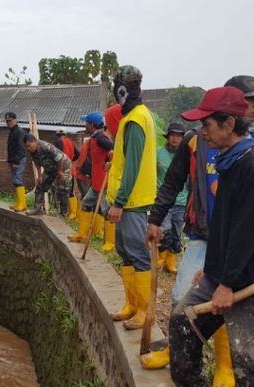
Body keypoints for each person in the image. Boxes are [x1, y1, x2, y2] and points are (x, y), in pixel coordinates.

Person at [152, 86, 254, 387]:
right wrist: (210, 271)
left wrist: (226, 282)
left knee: (251, 357)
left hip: (249, 278)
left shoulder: (253, 166)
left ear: (228, 123)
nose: (202, 133)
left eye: (207, 124)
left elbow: (248, 232)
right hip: (221, 272)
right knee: (183, 320)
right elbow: (221, 228)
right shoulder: (228, 160)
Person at [105, 65, 157, 331]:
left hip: (133, 202)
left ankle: (144, 312)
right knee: (126, 252)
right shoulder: (131, 117)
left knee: (138, 254)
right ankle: (131, 305)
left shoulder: (136, 119)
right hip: (128, 200)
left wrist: (119, 202)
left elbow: (134, 165)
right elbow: (126, 160)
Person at [68, 112, 114, 249]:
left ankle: (110, 242)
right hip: (96, 183)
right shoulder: (94, 138)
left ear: (92, 124)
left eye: (86, 122)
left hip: (104, 183)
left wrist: (111, 162)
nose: (85, 125)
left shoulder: (100, 138)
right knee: (86, 203)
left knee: (107, 211)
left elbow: (114, 150)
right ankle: (83, 235)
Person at [156, 122, 188, 273]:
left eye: (179, 136)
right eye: (172, 135)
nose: (175, 139)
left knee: (176, 232)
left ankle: (171, 262)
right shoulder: (158, 153)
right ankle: (159, 260)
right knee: (165, 230)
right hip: (163, 201)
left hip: (181, 201)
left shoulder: (187, 156)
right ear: (168, 137)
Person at [23, 134, 72, 217]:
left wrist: (59, 172)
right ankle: (37, 209)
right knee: (40, 185)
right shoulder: (32, 150)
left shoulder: (46, 146)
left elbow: (59, 158)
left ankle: (64, 214)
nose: (28, 148)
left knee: (63, 190)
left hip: (63, 166)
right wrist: (39, 175)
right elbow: (36, 162)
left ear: (34, 141)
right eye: (26, 146)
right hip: (50, 168)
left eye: (29, 146)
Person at [55, 129, 80, 219]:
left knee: (63, 191)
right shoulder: (71, 142)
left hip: (63, 170)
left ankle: (63, 213)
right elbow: (78, 154)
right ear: (65, 134)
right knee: (71, 191)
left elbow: (58, 156)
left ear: (57, 134)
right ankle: (73, 213)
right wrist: (70, 160)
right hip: (71, 169)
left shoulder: (58, 141)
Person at [5, 111, 27, 211]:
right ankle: (18, 202)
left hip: (19, 159)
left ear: (15, 120)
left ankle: (23, 204)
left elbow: (21, 148)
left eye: (10, 120)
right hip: (13, 160)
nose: (8, 122)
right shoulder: (12, 131)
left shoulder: (19, 131)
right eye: (7, 121)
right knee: (15, 181)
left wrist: (16, 161)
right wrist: (10, 160)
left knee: (18, 180)